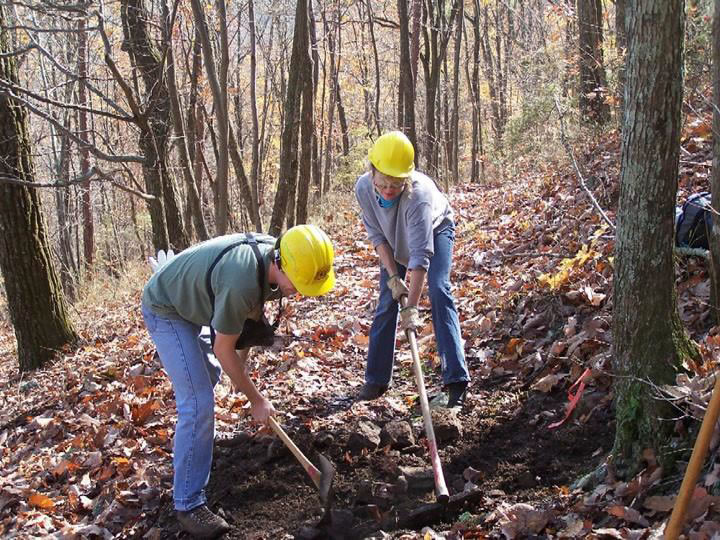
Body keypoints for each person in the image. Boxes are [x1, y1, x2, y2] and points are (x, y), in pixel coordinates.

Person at [141, 224, 335, 538]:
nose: (297, 291)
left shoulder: (275, 255)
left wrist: (240, 376)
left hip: (196, 302)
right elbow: (224, 347)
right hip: (166, 309)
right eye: (297, 284)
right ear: (280, 264)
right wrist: (256, 399)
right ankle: (188, 504)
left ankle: (197, 447)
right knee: (198, 402)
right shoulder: (240, 280)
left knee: (213, 374)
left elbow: (243, 326)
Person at [354, 130, 470, 409]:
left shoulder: (418, 196)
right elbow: (378, 237)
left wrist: (413, 309)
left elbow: (419, 255)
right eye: (383, 183)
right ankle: (377, 379)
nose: (388, 190)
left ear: (406, 178)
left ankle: (456, 379)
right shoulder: (362, 189)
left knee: (440, 290)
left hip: (436, 230)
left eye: (396, 184)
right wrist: (394, 276)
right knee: (387, 300)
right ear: (373, 173)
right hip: (393, 241)